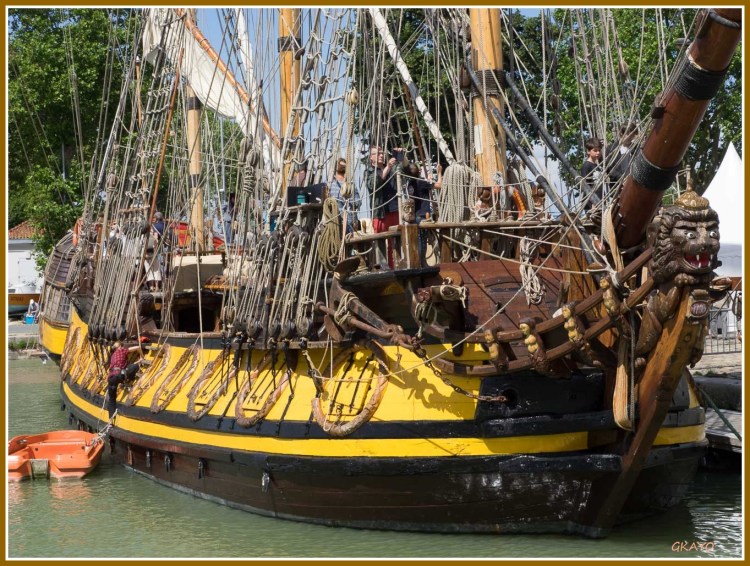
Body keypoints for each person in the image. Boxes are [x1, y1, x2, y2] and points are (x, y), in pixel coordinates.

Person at [365, 146, 401, 267]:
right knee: (381, 243)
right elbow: (374, 185)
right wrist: (388, 167)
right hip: (380, 212)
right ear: (371, 157)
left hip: (394, 209)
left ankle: (396, 266)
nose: (381, 155)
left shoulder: (392, 168)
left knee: (395, 242)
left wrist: (399, 155)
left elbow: (404, 170)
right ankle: (384, 267)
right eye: (378, 153)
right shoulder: (369, 172)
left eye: (382, 153)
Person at [404, 162, 443, 265]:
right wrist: (439, 172)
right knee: (422, 241)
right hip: (422, 216)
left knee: (417, 240)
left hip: (414, 215)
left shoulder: (409, 184)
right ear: (419, 171)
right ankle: (422, 263)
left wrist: (428, 180)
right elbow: (439, 185)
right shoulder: (421, 182)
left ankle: (419, 262)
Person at [106, 340, 143, 418]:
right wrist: (142, 357)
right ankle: (129, 379)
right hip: (119, 376)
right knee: (135, 367)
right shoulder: (122, 350)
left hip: (111, 378)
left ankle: (110, 420)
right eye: (122, 346)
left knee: (112, 399)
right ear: (120, 347)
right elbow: (138, 347)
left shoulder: (113, 355)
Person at [328, 158, 360, 235]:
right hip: (336, 222)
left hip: (348, 223)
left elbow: (358, 203)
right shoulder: (329, 184)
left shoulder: (350, 185)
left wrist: (347, 198)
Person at [604, 122, 639, 189]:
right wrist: (621, 178)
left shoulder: (637, 148)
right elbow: (609, 168)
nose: (631, 138)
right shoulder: (611, 149)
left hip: (634, 186)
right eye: (628, 135)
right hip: (618, 188)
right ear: (621, 134)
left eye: (632, 135)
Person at [580, 137, 603, 209]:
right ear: (588, 151)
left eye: (599, 150)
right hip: (592, 203)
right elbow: (585, 186)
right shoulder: (586, 166)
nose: (598, 153)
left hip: (600, 199)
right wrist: (592, 202)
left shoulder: (597, 166)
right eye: (595, 150)